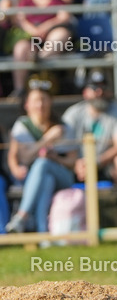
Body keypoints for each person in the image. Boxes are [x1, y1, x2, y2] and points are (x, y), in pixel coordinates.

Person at [59, 71, 117, 203]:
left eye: (103, 88)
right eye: (95, 88)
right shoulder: (73, 113)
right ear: (85, 92)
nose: (100, 92)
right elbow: (64, 147)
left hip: (105, 165)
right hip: (78, 167)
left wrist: (96, 162)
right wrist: (76, 164)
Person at [4, 78, 66, 234]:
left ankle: (21, 216)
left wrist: (55, 158)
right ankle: (42, 232)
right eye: (36, 100)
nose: (40, 105)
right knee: (46, 180)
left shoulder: (61, 126)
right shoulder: (22, 126)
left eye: (44, 100)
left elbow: (72, 161)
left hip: (62, 176)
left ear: (51, 102)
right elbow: (19, 157)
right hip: (32, 177)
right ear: (27, 104)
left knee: (42, 164)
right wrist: (47, 140)